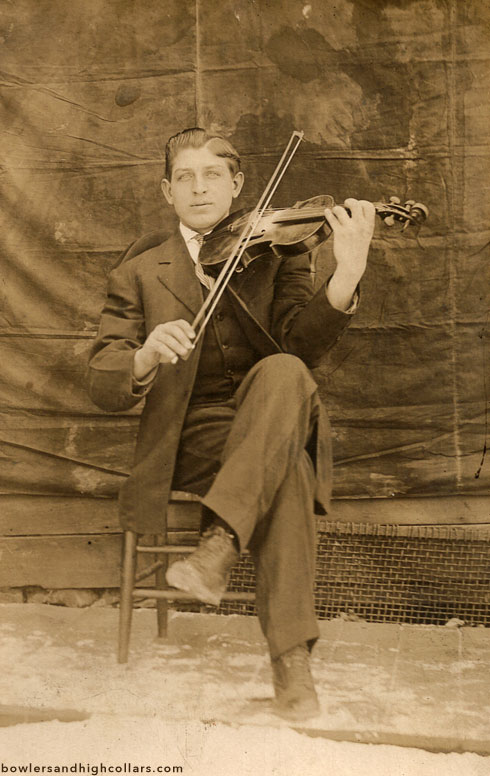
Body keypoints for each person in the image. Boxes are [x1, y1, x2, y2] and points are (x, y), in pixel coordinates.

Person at [88, 127, 375, 721]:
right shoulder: (140, 271)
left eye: (212, 175)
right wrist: (142, 356)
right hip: (190, 437)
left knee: (286, 370)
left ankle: (221, 545)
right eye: (185, 178)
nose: (199, 189)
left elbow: (304, 346)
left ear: (238, 184)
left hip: (268, 410)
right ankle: (292, 665)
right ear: (168, 191)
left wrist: (344, 276)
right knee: (287, 468)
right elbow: (102, 378)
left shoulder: (280, 249)